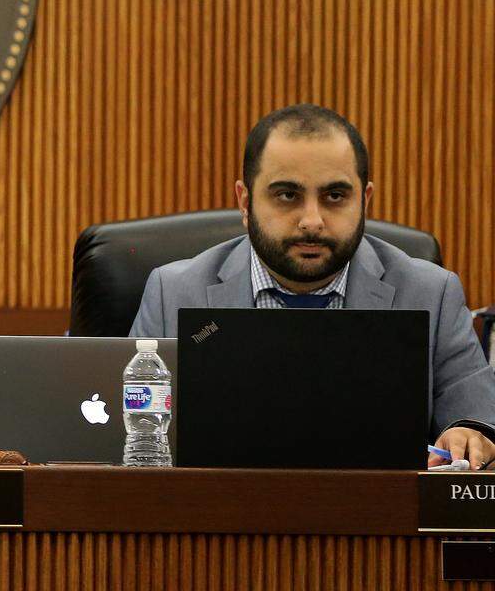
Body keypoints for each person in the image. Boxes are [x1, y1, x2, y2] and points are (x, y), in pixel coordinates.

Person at [130, 103, 495, 469]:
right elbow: (129, 440)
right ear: (245, 202)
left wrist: (470, 435)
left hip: (376, 505)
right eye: (287, 195)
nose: (312, 221)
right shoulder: (173, 292)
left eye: (334, 196)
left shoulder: (431, 293)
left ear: (365, 201)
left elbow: (479, 420)